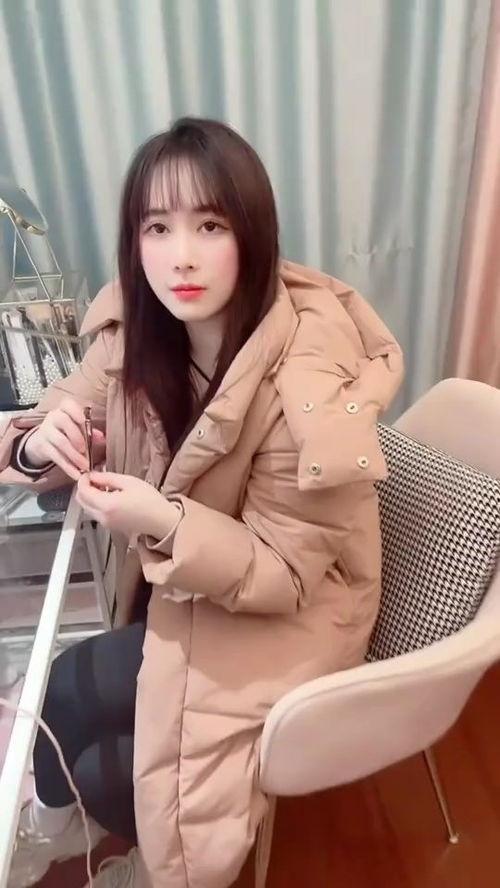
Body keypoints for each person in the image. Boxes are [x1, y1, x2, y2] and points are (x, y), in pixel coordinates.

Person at [0, 117, 404, 888]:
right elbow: (62, 407)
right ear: (135, 240)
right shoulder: (139, 327)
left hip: (296, 609)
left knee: (85, 723)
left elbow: (287, 571)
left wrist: (162, 520)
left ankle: (83, 837)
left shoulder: (310, 378)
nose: (180, 255)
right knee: (82, 719)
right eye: (158, 227)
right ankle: (57, 826)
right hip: (198, 584)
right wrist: (40, 442)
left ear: (252, 233)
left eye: (209, 225)